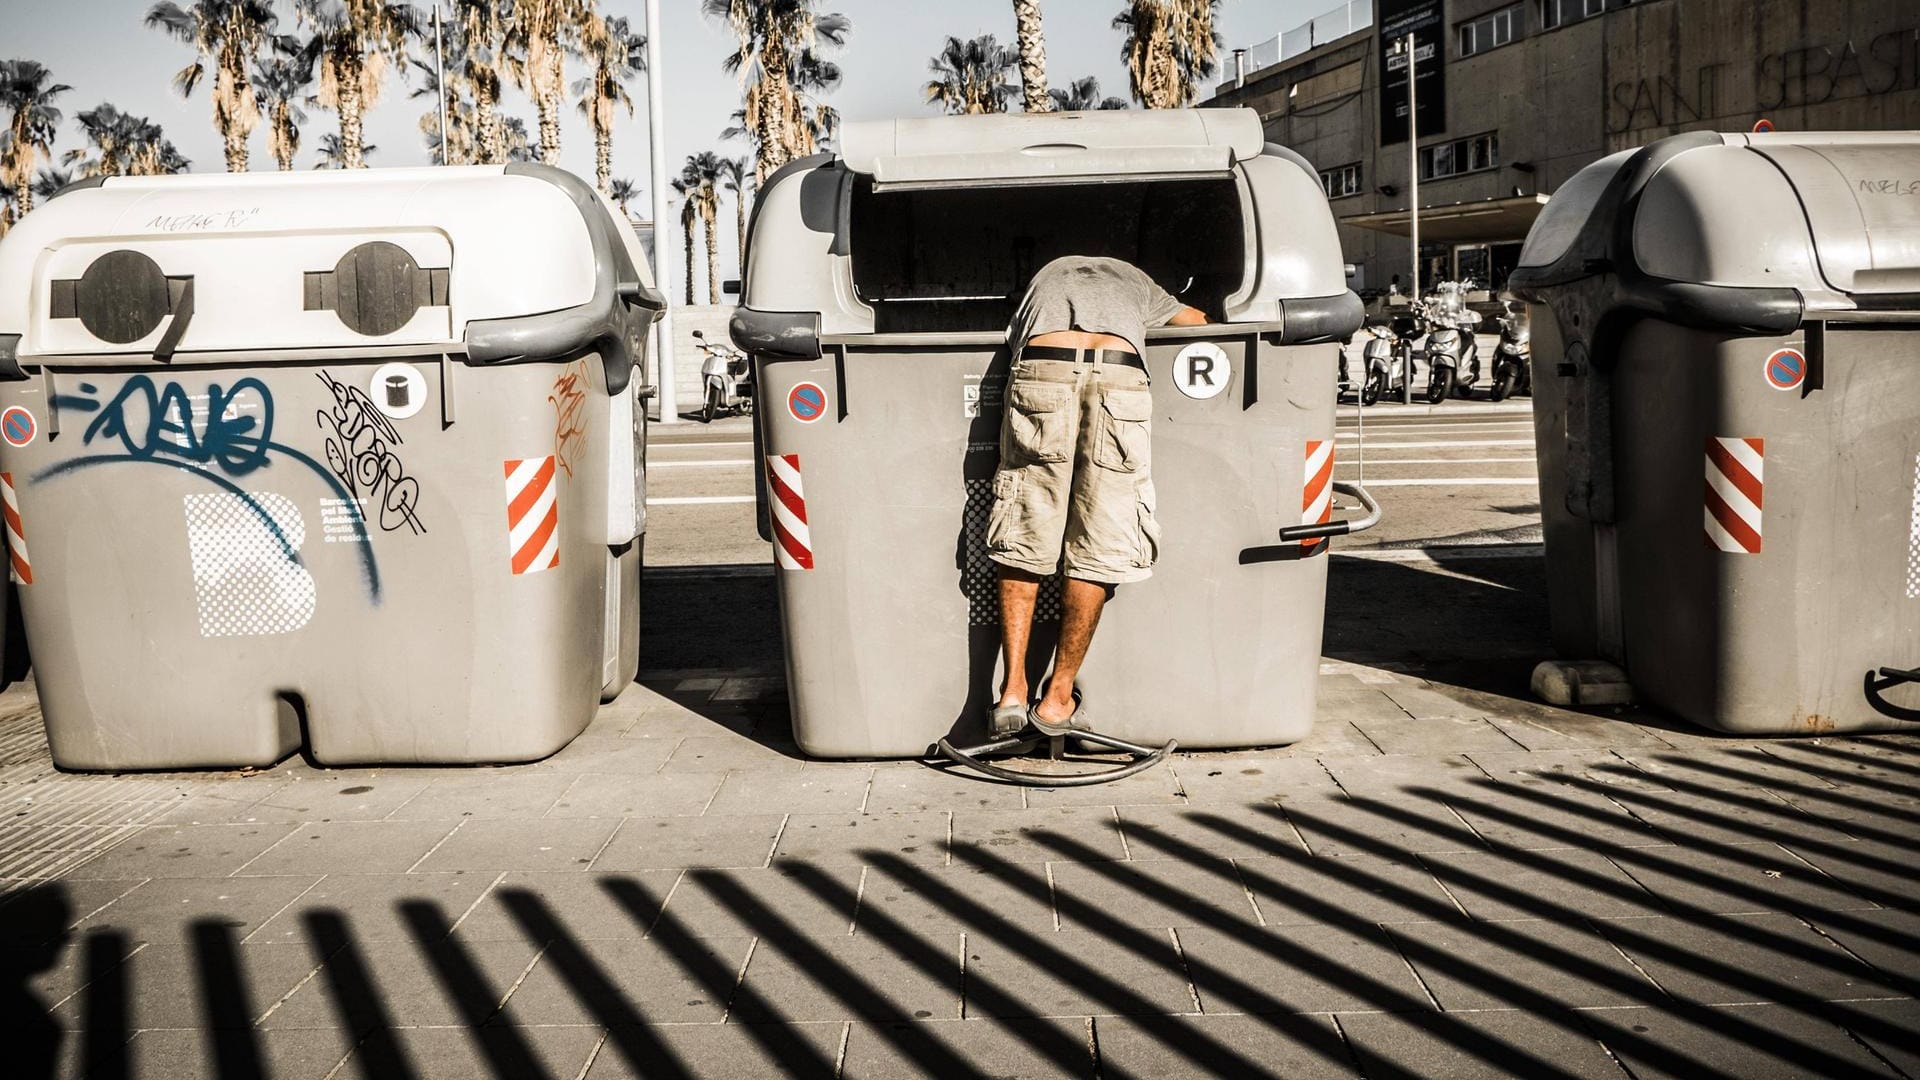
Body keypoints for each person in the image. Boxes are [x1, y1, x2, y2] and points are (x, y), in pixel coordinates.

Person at [986, 256, 1207, 737]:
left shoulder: (1043, 278)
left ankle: (1012, 691)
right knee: (1098, 540)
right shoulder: (1136, 279)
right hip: (1119, 375)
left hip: (1044, 370)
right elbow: (1198, 322)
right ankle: (1057, 697)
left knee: (1025, 524)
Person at [694, 330, 731, 421]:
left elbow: (729, 353)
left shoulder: (722, 358)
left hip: (720, 368)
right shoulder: (711, 355)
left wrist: (732, 354)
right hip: (713, 370)